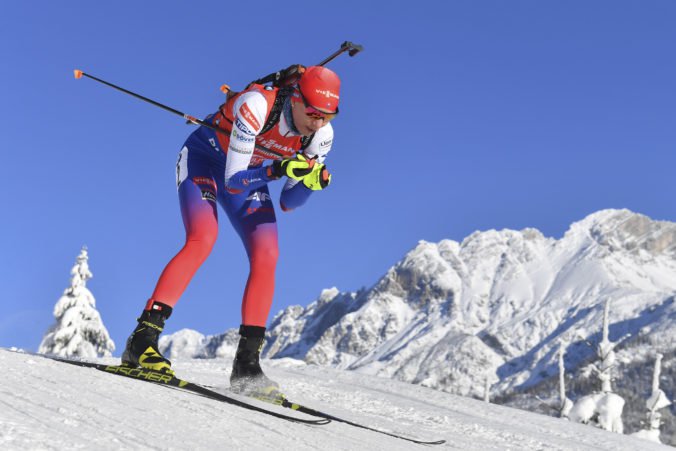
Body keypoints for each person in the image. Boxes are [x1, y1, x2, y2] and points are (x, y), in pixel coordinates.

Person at [120, 66, 340, 399]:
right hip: (205, 162)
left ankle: (246, 366)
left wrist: (310, 183)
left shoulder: (320, 135)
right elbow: (233, 182)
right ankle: (142, 341)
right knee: (203, 238)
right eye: (312, 112)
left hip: (252, 175)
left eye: (328, 115)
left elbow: (289, 203)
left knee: (267, 253)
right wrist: (277, 167)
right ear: (295, 98)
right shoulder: (256, 105)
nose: (318, 122)